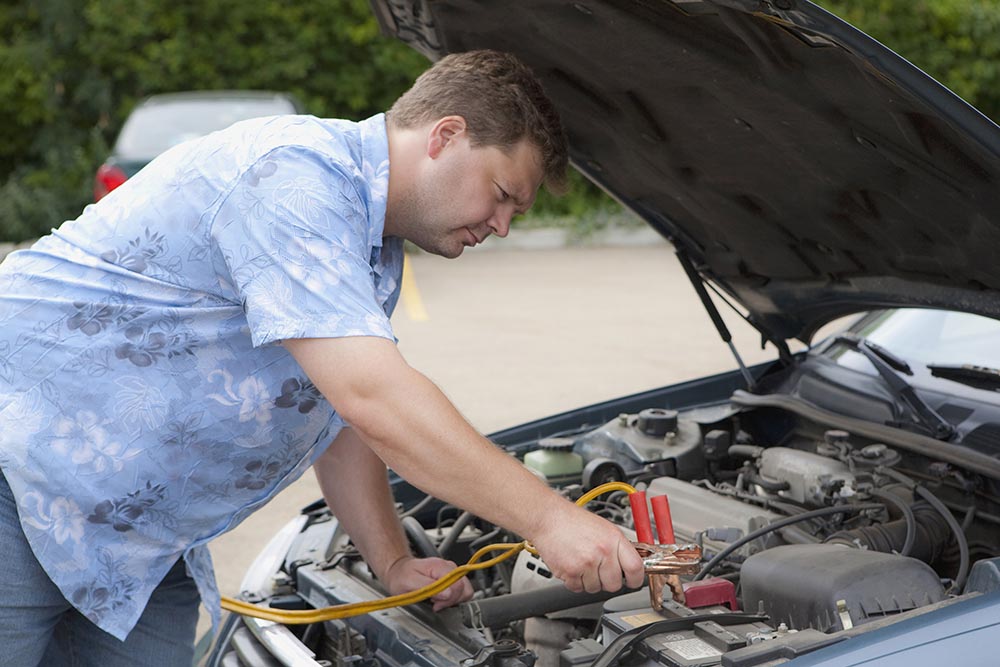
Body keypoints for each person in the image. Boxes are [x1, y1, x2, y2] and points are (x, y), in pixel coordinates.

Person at [0, 50, 645, 665]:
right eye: (502, 193)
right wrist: (550, 520)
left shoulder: (370, 241)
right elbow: (375, 397)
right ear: (445, 135)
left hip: (136, 542)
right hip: (23, 485)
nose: (502, 224)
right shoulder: (293, 177)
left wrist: (391, 562)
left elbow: (336, 410)